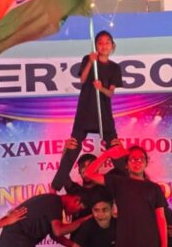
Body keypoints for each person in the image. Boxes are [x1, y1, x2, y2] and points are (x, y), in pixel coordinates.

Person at [84, 144, 169, 247]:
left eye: (141, 159)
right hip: (127, 246)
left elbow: (161, 218)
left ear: (146, 163)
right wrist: (107, 154)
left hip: (151, 246)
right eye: (133, 159)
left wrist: (164, 246)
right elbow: (89, 173)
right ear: (126, 164)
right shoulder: (118, 182)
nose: (137, 162)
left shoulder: (154, 188)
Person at [51, 30, 123, 192]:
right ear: (96, 45)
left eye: (107, 42)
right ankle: (56, 185)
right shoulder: (88, 59)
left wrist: (101, 88)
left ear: (112, 46)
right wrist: (91, 62)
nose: (104, 45)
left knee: (115, 146)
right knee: (73, 146)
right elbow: (83, 80)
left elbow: (110, 93)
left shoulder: (115, 68)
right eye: (100, 42)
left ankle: (128, 182)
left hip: (103, 113)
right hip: (85, 111)